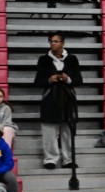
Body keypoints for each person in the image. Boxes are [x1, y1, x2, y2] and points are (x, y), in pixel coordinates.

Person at [35, 31, 83, 170]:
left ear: (63, 43)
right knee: (49, 131)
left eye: (56, 41)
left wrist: (68, 79)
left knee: (67, 131)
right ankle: (50, 159)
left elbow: (79, 80)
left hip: (68, 98)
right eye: (51, 41)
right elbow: (37, 81)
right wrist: (50, 80)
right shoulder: (43, 59)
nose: (53, 44)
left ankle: (68, 159)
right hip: (50, 98)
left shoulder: (72, 59)